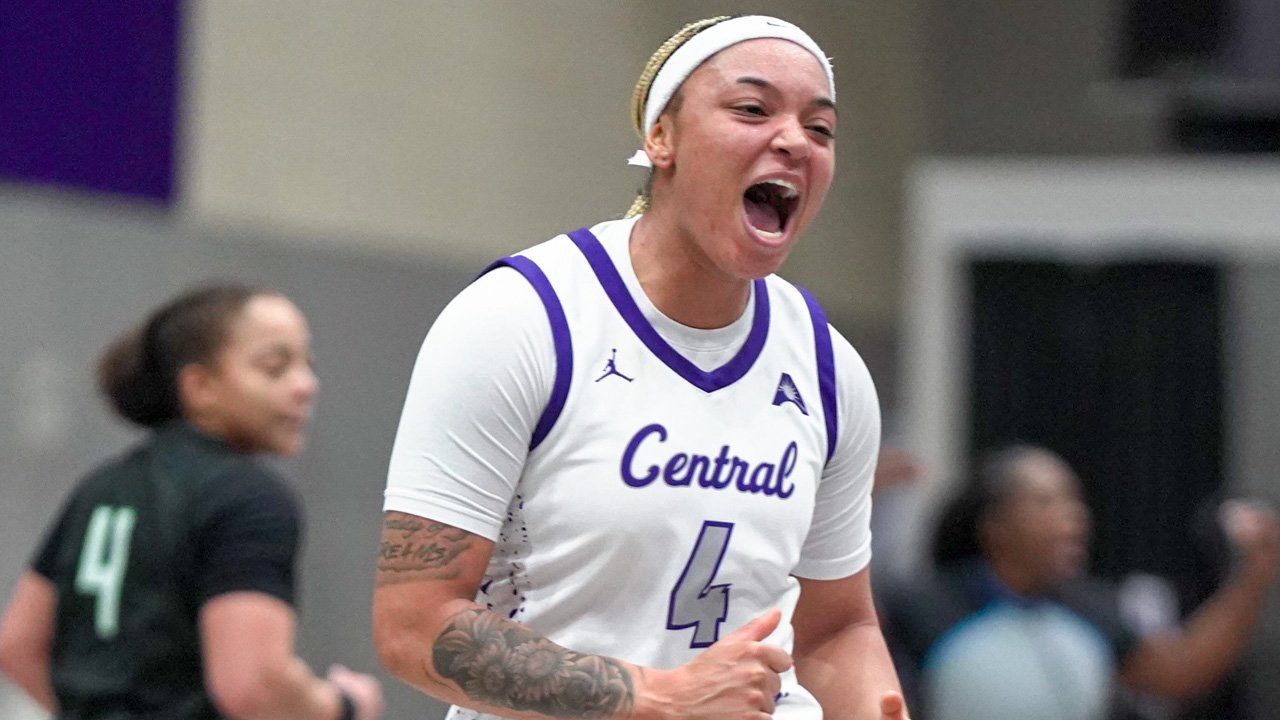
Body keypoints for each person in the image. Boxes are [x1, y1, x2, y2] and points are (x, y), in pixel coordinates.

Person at [373, 14, 909, 720]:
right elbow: (412, 625)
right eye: (752, 109)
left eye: (820, 128)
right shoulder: (521, 318)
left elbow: (837, 625)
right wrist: (659, 699)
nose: (792, 139)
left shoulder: (828, 367)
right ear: (662, 137)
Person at [0, 284, 384, 720]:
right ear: (200, 387)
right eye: (276, 368)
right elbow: (253, 685)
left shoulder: (102, 486)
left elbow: (17, 645)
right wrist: (345, 705)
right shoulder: (248, 497)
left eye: (308, 367)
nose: (305, 386)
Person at [880, 444, 1280, 720]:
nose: (1074, 519)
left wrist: (1252, 579)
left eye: (1075, 503)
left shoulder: (1092, 610)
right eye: (1047, 502)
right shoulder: (924, 605)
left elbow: (1179, 671)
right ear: (996, 526)